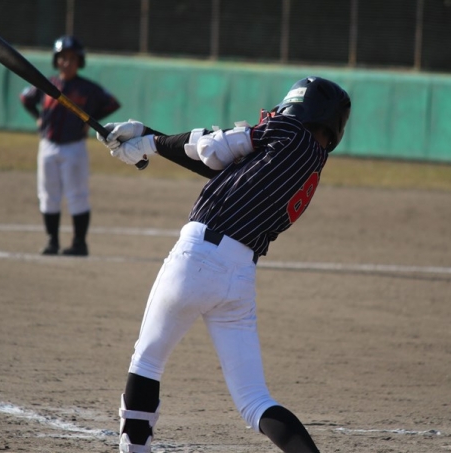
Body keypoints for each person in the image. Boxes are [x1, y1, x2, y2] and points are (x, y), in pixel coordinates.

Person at [98, 76, 351, 452]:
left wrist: (148, 142)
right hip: (239, 278)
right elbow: (224, 167)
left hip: (197, 258)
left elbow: (210, 147)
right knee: (255, 401)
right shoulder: (309, 160)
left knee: (147, 362)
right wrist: (147, 137)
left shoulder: (287, 130)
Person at [20, 35, 120, 256]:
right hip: (47, 145)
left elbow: (112, 103)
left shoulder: (87, 88)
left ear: (79, 61)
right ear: (56, 60)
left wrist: (90, 122)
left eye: (72, 58)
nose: (67, 62)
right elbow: (26, 98)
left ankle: (79, 244)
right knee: (48, 194)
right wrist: (38, 118)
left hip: (74, 147)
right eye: (63, 58)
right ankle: (52, 241)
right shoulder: (47, 84)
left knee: (77, 195)